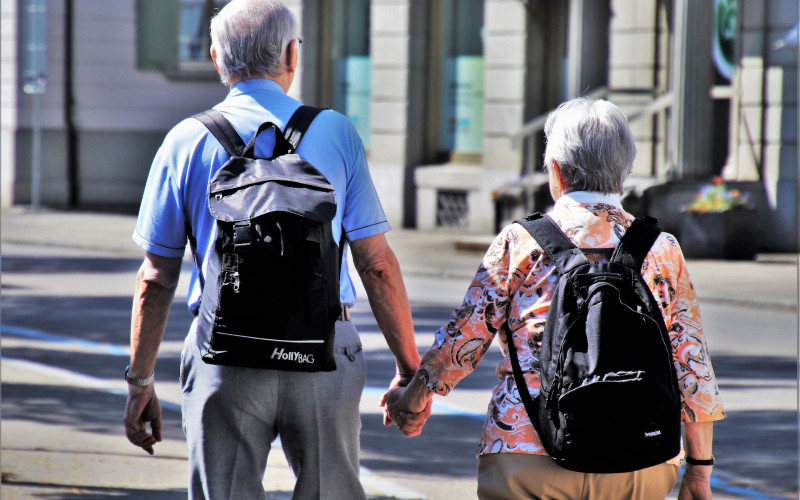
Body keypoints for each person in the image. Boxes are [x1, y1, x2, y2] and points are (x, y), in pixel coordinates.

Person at [122, 1, 426, 498]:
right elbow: (376, 265)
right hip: (325, 350)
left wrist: (140, 381)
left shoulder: (185, 140)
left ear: (217, 57)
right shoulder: (336, 132)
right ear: (291, 54)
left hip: (225, 355)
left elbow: (156, 277)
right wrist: (410, 370)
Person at [384, 97, 726, 500]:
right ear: (623, 172)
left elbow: (465, 338)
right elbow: (692, 365)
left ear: (558, 171)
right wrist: (699, 470)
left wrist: (413, 397)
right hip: (640, 459)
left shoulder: (521, 241)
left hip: (526, 452)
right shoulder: (662, 249)